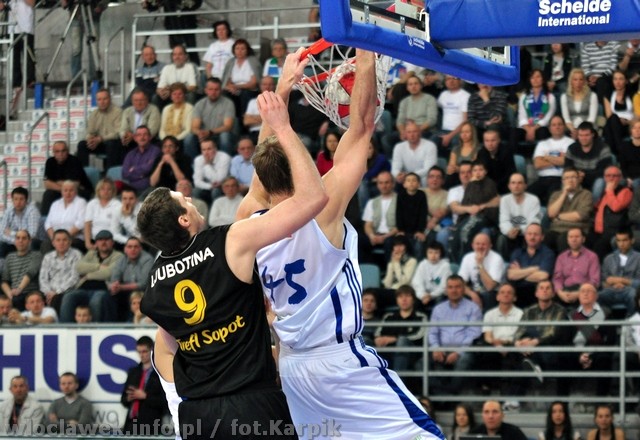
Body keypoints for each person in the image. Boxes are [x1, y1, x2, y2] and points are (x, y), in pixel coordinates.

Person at [235, 49, 443, 439]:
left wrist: (283, 89)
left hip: (293, 367)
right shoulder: (322, 207)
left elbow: (263, 171)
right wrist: (364, 54)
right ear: (302, 167)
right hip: (338, 359)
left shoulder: (248, 223)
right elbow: (361, 128)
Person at [139, 49, 328, 439]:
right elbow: (310, 198)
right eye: (182, 199)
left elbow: (167, 347)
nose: (188, 197)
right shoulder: (229, 241)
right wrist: (283, 123)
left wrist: (281, 91)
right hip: (251, 403)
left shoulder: (153, 289)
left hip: (198, 413)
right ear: (183, 220)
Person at [559, 283, 616, 398]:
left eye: (589, 291)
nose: (585, 294)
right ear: (579, 296)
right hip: (576, 354)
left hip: (598, 355)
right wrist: (579, 355)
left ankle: (601, 402)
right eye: (582, 291)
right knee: (562, 359)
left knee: (605, 360)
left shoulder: (606, 314)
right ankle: (561, 403)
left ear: (596, 296)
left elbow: (611, 340)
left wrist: (591, 356)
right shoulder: (570, 315)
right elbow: (565, 340)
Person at [429, 275, 482, 395]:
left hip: (464, 351)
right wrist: (436, 348)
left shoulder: (473, 308)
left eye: (457, 287)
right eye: (450, 287)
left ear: (463, 289)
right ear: (446, 290)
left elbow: (473, 334)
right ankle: (445, 395)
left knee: (464, 360)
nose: (454, 290)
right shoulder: (438, 309)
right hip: (441, 350)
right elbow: (432, 333)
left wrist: (458, 352)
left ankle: (449, 395)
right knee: (420, 364)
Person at [513, 280, 568, 391]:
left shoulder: (560, 310)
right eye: (541, 288)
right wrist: (518, 342)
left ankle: (534, 365)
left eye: (548, 288)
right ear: (536, 293)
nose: (544, 291)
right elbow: (520, 330)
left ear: (553, 293)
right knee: (518, 351)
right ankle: (535, 367)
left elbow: (553, 333)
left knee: (531, 332)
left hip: (551, 347)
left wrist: (533, 342)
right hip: (531, 348)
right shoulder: (529, 311)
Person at [59, 230, 124, 323]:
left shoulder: (119, 256)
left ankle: (94, 329)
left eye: (106, 240)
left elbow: (109, 272)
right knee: (69, 297)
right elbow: (79, 267)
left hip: (103, 289)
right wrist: (98, 266)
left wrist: (88, 275)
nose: (103, 242)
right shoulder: (91, 253)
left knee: (97, 300)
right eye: (100, 240)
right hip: (83, 288)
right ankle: (65, 329)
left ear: (112, 242)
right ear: (96, 243)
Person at [480, 283, 523, 407]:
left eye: (509, 292)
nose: (506, 295)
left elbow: (518, 336)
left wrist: (504, 344)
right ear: (497, 296)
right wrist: (497, 345)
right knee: (485, 352)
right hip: (494, 346)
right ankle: (487, 392)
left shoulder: (520, 314)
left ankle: (509, 397)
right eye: (502, 292)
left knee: (513, 355)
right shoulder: (490, 314)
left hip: (512, 346)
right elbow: (488, 337)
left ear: (515, 297)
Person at [120, 336, 168, 435]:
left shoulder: (160, 373)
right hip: (130, 425)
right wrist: (128, 398)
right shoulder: (133, 372)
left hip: (150, 425)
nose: (141, 355)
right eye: (139, 352)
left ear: (152, 350)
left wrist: (145, 396)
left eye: (144, 351)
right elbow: (123, 399)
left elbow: (165, 402)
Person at [374, 284, 428, 371]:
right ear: (396, 300)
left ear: (413, 299)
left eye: (407, 296)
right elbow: (378, 333)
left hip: (411, 354)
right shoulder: (388, 316)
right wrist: (377, 338)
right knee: (366, 342)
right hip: (388, 352)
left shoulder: (421, 317)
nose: (404, 299)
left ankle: (398, 378)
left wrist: (395, 339)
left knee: (402, 341)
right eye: (400, 297)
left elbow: (418, 336)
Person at [184, 77, 236, 159]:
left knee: (225, 136)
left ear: (221, 90)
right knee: (189, 138)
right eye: (210, 89)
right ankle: (193, 164)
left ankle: (226, 162)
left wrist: (210, 132)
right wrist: (200, 133)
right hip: (204, 136)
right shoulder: (199, 104)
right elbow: (194, 127)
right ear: (206, 90)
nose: (213, 92)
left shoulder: (228, 103)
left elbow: (228, 126)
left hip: (219, 135)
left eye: (216, 89)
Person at [545, 167, 593, 253]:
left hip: (577, 229)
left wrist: (558, 216)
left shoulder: (586, 194)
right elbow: (551, 214)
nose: (570, 180)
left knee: (563, 239)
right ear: (563, 181)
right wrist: (564, 193)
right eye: (567, 178)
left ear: (578, 179)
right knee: (545, 238)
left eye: (573, 177)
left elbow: (581, 215)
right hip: (556, 229)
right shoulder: (556, 195)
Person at [507, 223, 556, 308]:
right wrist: (533, 269)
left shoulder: (548, 253)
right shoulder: (517, 253)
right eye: (529, 234)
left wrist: (520, 272)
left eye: (535, 234)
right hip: (518, 292)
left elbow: (543, 276)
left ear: (542, 237)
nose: (532, 237)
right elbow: (511, 275)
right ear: (525, 236)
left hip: (537, 294)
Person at [589, 165, 633, 259]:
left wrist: (609, 191)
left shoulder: (626, 191)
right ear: (604, 177)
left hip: (613, 231)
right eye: (608, 176)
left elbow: (616, 207)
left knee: (598, 249)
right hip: (597, 230)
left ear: (620, 177)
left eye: (614, 176)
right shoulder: (603, 191)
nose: (611, 178)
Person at [529, 115, 573, 205]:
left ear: (564, 127)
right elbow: (537, 164)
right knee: (526, 197)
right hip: (542, 179)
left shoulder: (570, 143)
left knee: (552, 199)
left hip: (560, 179)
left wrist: (547, 157)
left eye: (560, 124)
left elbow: (566, 162)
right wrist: (559, 159)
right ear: (549, 128)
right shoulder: (542, 144)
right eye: (554, 125)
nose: (557, 127)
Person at [564, 121, 613, 200]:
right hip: (578, 178)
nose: (583, 138)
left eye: (586, 135)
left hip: (596, 179)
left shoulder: (603, 148)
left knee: (600, 182)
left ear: (592, 135)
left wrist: (584, 174)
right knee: (567, 180)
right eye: (581, 135)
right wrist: (576, 175)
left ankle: (592, 206)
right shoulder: (572, 148)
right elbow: (567, 167)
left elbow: (605, 170)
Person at [41, 141, 93, 216]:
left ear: (67, 151)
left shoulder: (75, 161)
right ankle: (44, 219)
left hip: (81, 190)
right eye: (57, 151)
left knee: (74, 192)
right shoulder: (50, 162)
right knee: (48, 194)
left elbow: (75, 184)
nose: (60, 154)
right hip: (62, 190)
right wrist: (64, 188)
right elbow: (47, 184)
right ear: (53, 153)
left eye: (63, 151)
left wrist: (57, 183)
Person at [497, 172, 542, 259]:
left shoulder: (533, 200)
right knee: (501, 239)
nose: (516, 186)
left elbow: (534, 221)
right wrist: (509, 231)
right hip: (510, 234)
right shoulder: (504, 200)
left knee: (533, 236)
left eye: (519, 183)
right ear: (509, 186)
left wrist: (520, 230)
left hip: (527, 234)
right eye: (513, 183)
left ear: (525, 185)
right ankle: (505, 263)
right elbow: (504, 221)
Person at [108, 237, 153, 322]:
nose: (133, 249)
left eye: (136, 246)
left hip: (144, 291)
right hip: (124, 291)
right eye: (130, 247)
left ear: (141, 248)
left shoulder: (147, 259)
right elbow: (114, 279)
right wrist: (114, 286)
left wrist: (121, 287)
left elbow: (143, 284)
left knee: (133, 297)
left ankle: (130, 322)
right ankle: (112, 324)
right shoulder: (121, 260)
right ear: (125, 249)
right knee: (108, 297)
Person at [77, 89, 124, 170]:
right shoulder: (94, 114)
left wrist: (100, 139)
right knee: (82, 145)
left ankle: (110, 173)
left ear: (110, 99)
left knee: (111, 144)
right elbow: (89, 131)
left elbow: (118, 133)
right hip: (99, 143)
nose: (102, 102)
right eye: (99, 99)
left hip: (114, 143)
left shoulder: (118, 112)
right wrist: (90, 139)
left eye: (105, 99)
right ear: (96, 101)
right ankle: (84, 173)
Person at [553, 228, 601, 306]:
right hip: (565, 290)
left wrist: (579, 293)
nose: (574, 239)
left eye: (577, 237)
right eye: (571, 237)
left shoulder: (592, 257)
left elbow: (594, 281)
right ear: (567, 240)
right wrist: (561, 293)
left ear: (583, 239)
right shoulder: (561, 257)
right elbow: (557, 279)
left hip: (584, 291)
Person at [39, 229, 82, 315]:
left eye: (64, 240)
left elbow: (75, 278)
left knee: (58, 299)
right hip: (49, 292)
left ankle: (55, 322)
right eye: (58, 240)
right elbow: (43, 278)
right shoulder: (48, 257)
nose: (61, 243)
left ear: (70, 242)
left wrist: (57, 292)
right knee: (34, 298)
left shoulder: (76, 254)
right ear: (53, 243)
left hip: (68, 291)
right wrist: (48, 293)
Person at [457, 232, 505, 310]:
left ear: (490, 246)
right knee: (457, 292)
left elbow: (490, 287)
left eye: (483, 244)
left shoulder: (496, 259)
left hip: (493, 293)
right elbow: (460, 283)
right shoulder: (467, 258)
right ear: (472, 245)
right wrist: (472, 294)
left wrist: (480, 264)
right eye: (477, 244)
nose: (480, 247)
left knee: (488, 295)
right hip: (475, 291)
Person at [600, 228, 640, 317]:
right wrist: (612, 284)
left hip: (630, 290)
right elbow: (603, 280)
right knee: (597, 296)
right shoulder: (608, 258)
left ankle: (631, 320)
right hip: (611, 290)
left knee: (634, 295)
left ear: (632, 240)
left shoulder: (638, 258)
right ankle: (605, 320)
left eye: (625, 240)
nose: (621, 244)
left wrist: (622, 281)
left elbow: (639, 283)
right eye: (618, 240)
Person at [1, 230, 42, 311]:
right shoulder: (9, 257)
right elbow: (4, 280)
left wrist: (19, 290)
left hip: (30, 292)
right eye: (18, 238)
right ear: (14, 241)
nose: (20, 241)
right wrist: (10, 295)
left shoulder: (36, 255)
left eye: (24, 238)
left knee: (18, 300)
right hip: (14, 294)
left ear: (29, 241)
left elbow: (30, 273)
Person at [221, 38, 262, 117]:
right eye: (237, 49)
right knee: (225, 94)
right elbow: (227, 80)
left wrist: (236, 87)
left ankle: (244, 118)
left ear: (247, 50)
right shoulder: (231, 62)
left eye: (242, 49)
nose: (239, 51)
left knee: (244, 94)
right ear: (234, 50)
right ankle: (229, 118)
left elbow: (253, 83)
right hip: (234, 90)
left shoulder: (253, 61)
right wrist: (231, 88)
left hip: (249, 90)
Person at [391, 120, 438, 186]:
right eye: (409, 132)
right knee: (394, 180)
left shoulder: (430, 146)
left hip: (422, 179)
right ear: (405, 134)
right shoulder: (399, 147)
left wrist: (410, 176)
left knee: (426, 178)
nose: (412, 135)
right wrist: (398, 175)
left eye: (415, 132)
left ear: (420, 133)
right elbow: (395, 168)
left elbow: (428, 169)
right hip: (405, 180)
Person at [517, 69, 557, 143]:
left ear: (543, 79)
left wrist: (533, 129)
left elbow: (548, 118)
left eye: (538, 77)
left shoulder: (550, 97)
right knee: (514, 133)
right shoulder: (524, 96)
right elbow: (522, 116)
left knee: (543, 132)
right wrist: (528, 129)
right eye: (532, 77)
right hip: (526, 127)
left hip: (542, 127)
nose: (535, 79)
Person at [411, 241, 452, 313]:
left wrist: (431, 296)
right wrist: (422, 295)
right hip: (424, 295)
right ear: (426, 253)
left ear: (441, 254)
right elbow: (417, 282)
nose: (433, 255)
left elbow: (444, 286)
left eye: (436, 253)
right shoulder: (422, 264)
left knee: (440, 301)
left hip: (439, 295)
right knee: (414, 302)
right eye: (430, 252)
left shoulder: (445, 265)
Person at [0, 187, 41, 258]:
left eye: (21, 199)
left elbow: (32, 235)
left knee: (32, 243)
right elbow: (1, 233)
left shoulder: (32, 211)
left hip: (31, 242)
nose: (18, 202)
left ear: (26, 201)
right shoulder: (9, 211)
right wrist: (15, 241)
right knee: (3, 246)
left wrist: (12, 233)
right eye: (15, 199)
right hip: (14, 242)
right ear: (12, 200)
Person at [122, 125, 162, 194]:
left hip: (148, 190)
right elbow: (125, 174)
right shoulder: (130, 154)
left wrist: (133, 169)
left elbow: (149, 168)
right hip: (131, 190)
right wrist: (142, 175)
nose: (142, 137)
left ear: (150, 137)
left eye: (145, 134)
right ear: (135, 138)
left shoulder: (156, 151)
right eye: (139, 135)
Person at [83, 178, 121, 251]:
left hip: (111, 241)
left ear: (113, 191)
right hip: (94, 240)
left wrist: (103, 243)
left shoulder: (117, 205)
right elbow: (87, 224)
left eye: (109, 189)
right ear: (98, 190)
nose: (106, 191)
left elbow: (116, 228)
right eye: (103, 189)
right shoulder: (92, 204)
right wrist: (88, 243)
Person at [561, 68, 598, 139]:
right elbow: (566, 119)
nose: (578, 82)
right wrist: (574, 131)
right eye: (575, 79)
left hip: (588, 128)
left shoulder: (592, 96)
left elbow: (592, 119)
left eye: (581, 79)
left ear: (584, 81)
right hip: (571, 129)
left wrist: (581, 133)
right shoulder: (564, 97)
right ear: (571, 81)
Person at [192, 137, 231, 205]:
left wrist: (207, 165)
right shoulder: (198, 160)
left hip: (222, 186)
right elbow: (197, 182)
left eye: (209, 149)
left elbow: (218, 180)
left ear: (215, 149)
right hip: (208, 186)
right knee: (195, 191)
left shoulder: (224, 157)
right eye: (204, 150)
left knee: (215, 191)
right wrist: (210, 186)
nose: (206, 153)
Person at [476, 128, 516, 194]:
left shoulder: (506, 152)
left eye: (493, 140)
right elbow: (481, 172)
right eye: (487, 141)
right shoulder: (481, 153)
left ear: (499, 140)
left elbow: (510, 173)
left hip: (505, 186)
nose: (490, 144)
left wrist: (495, 185)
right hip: (487, 186)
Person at [603, 70, 634, 154]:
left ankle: (610, 152)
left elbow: (637, 115)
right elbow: (609, 115)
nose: (618, 82)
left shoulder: (632, 94)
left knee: (609, 127)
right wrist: (618, 120)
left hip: (628, 125)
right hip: (614, 124)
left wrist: (627, 122)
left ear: (626, 81)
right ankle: (619, 149)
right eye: (615, 79)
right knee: (613, 119)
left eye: (621, 79)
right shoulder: (608, 94)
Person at [243, 76, 276, 144]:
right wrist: (267, 118)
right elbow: (246, 121)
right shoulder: (252, 102)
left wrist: (253, 117)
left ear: (274, 86)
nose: (267, 87)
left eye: (270, 84)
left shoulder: (278, 101)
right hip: (255, 134)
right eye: (264, 84)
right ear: (260, 86)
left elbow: (276, 119)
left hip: (272, 133)